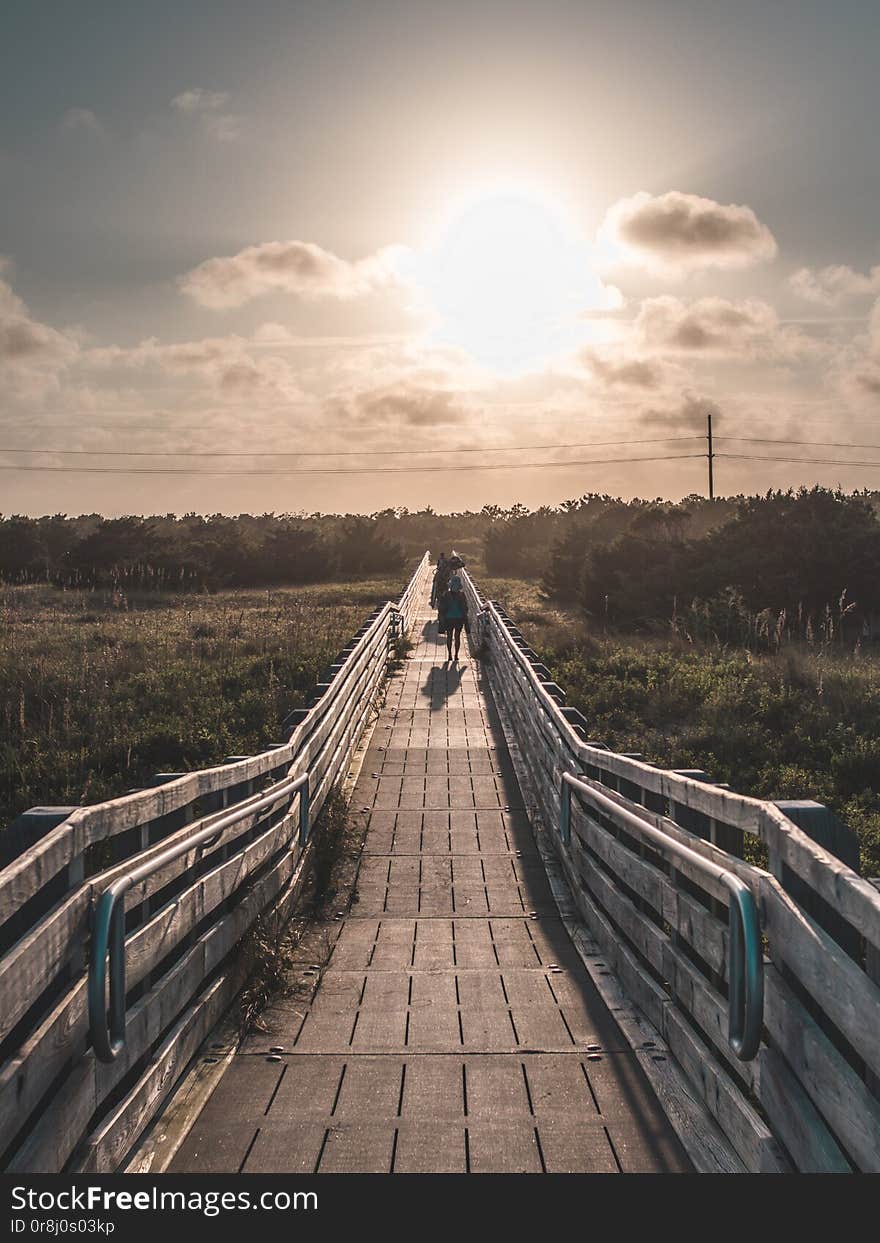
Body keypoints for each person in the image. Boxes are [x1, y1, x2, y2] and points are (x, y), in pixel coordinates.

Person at [439, 573, 469, 661]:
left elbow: (441, 607)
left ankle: (449, 655)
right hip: (459, 619)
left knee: (449, 636)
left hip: (448, 619)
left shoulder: (446, 595)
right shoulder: (462, 595)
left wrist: (441, 617)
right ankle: (456, 655)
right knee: (457, 637)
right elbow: (466, 608)